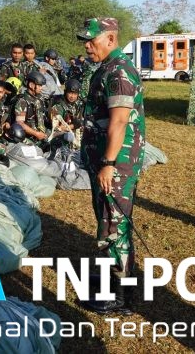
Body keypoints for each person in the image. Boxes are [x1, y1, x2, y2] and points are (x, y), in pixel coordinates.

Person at [76, 17, 144, 315]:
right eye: (85, 41)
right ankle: (111, 277)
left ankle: (120, 294)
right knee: (107, 219)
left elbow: (119, 121)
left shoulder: (119, 71)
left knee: (114, 224)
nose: (87, 46)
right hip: (105, 160)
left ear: (111, 39)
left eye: (92, 40)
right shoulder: (106, 68)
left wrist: (108, 163)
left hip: (115, 163)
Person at [13, 71, 49, 146]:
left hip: (42, 134)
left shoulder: (39, 99)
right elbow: (20, 123)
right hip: (29, 137)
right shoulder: (22, 102)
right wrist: (36, 134)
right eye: (39, 85)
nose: (41, 88)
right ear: (31, 85)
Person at [49, 79, 84, 152]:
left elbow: (79, 121)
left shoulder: (77, 104)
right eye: (70, 93)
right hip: (58, 138)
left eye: (75, 94)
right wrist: (73, 126)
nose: (72, 96)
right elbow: (56, 129)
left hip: (72, 135)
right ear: (65, 92)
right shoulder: (58, 105)